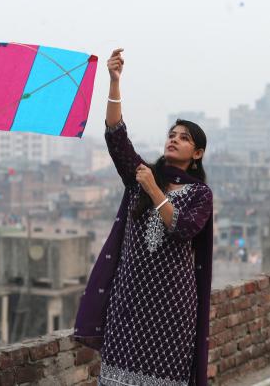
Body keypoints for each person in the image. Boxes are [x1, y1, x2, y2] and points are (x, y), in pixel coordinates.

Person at [74, 49, 214, 386]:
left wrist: (154, 191)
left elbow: (183, 228)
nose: (174, 140)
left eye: (184, 138)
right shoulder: (139, 174)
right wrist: (114, 82)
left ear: (196, 154)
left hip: (172, 308)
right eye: (171, 134)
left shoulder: (200, 195)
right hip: (129, 301)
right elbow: (115, 134)